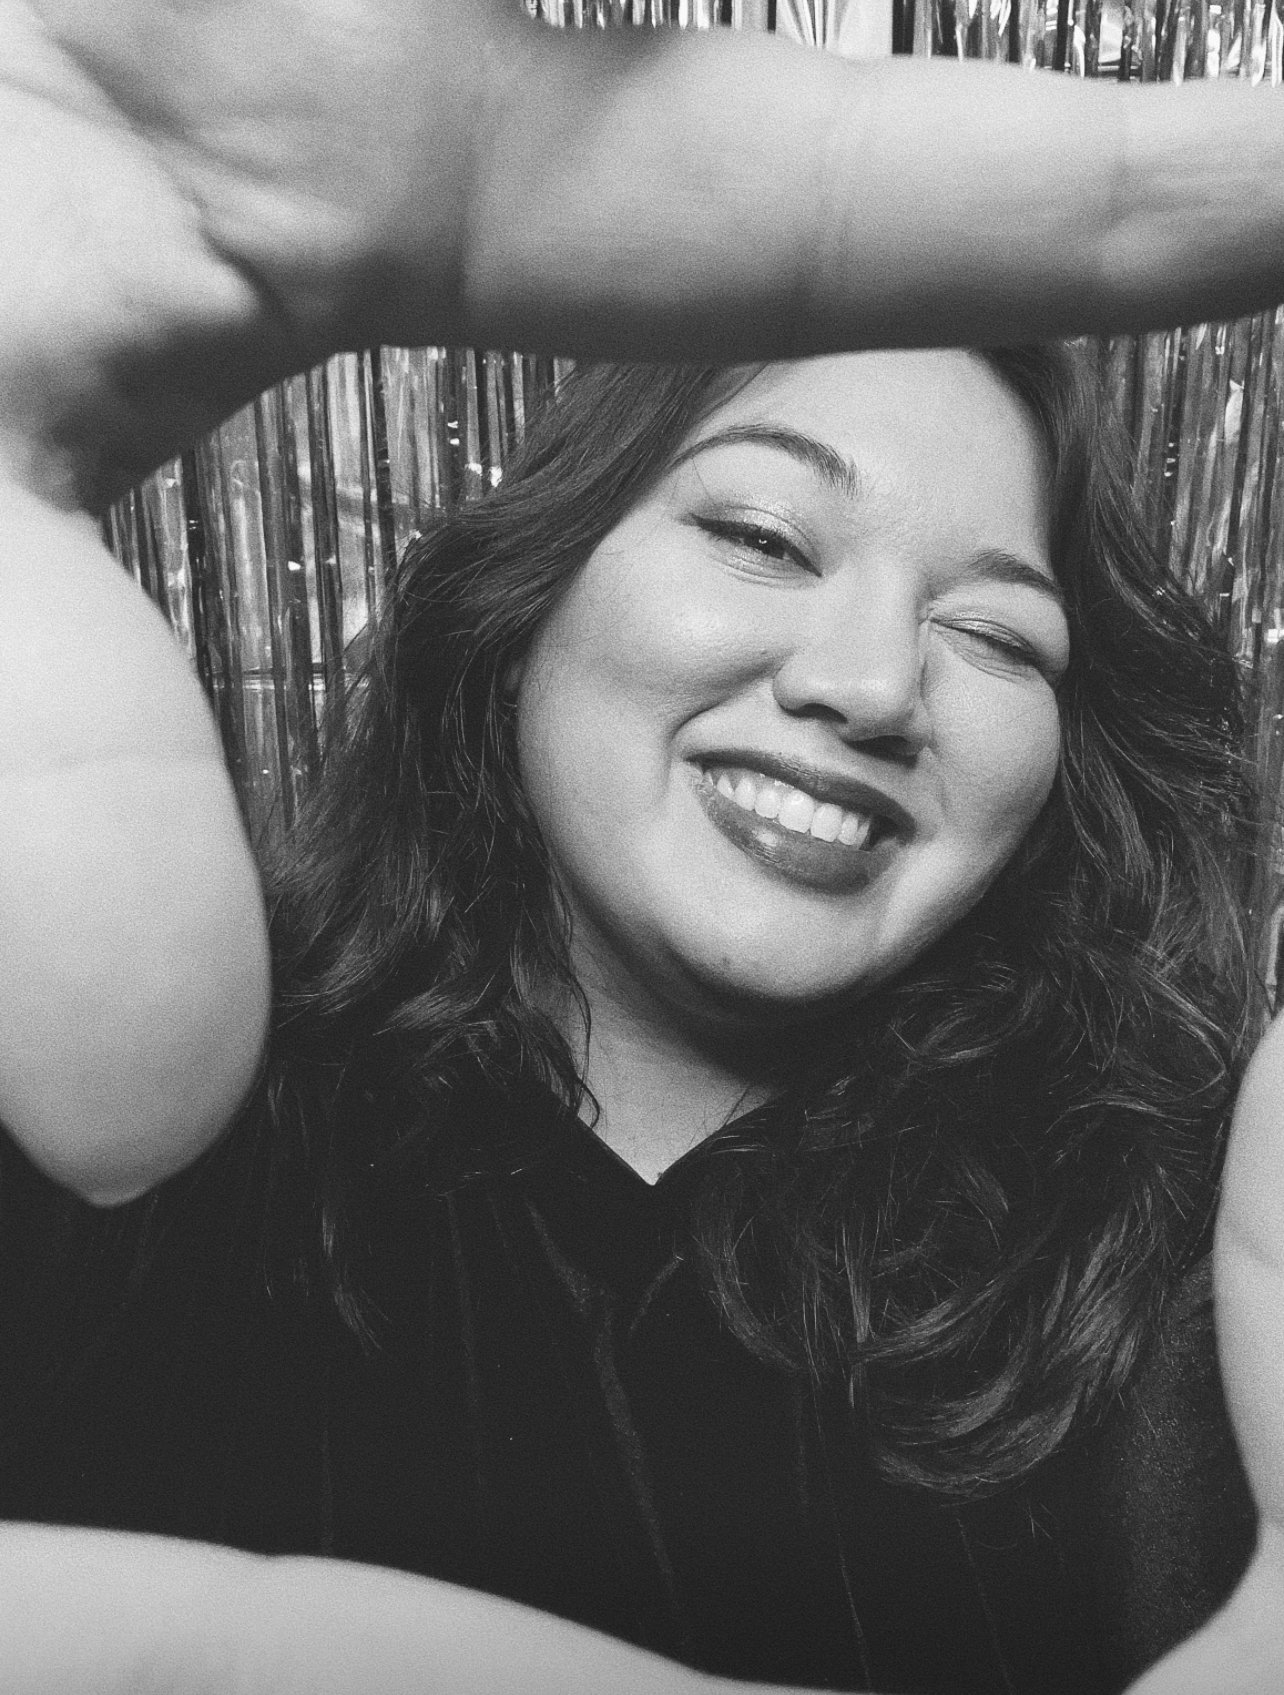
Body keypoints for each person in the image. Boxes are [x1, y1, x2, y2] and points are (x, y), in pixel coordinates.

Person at [1, 0, 1284, 1690]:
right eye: (761, 533)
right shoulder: (101, 1107)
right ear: (528, 602)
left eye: (997, 637)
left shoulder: (1188, 1268)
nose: (869, 685)